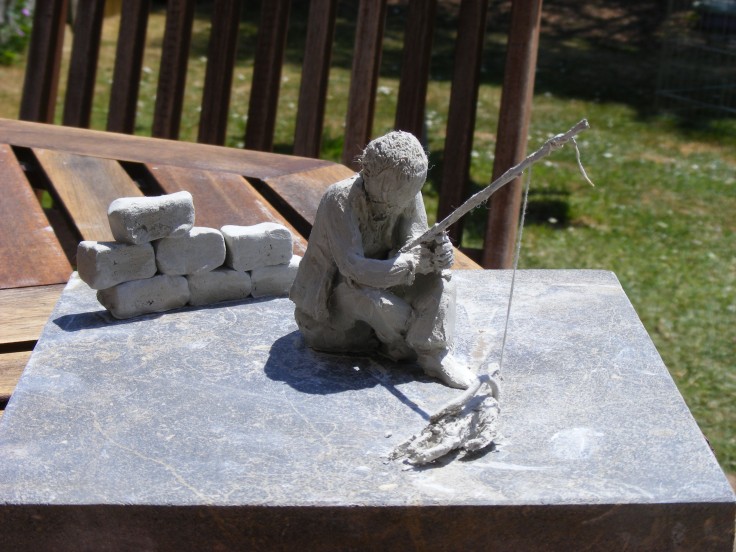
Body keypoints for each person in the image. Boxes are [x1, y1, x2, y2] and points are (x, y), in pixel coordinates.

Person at [289, 131, 475, 389]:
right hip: (333, 309)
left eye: (412, 188)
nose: (404, 198)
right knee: (370, 298)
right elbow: (354, 268)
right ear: (372, 175)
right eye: (396, 188)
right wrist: (412, 264)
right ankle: (406, 341)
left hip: (384, 281)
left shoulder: (408, 193)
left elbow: (415, 241)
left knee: (442, 281)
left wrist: (436, 253)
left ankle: (434, 354)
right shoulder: (340, 199)